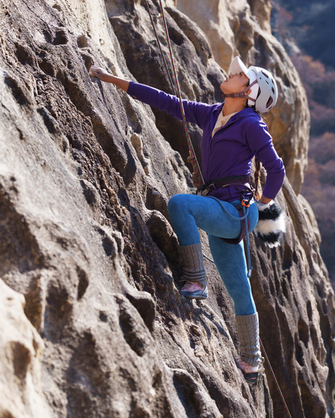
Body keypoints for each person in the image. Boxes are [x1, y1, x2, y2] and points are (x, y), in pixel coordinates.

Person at [88, 57, 286, 385]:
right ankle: (251, 362)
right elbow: (167, 102)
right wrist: (110, 78)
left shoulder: (251, 123)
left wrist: (261, 204)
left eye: (239, 75)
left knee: (180, 204)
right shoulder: (212, 113)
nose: (232, 73)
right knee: (239, 287)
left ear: (249, 92)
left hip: (236, 210)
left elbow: (275, 169)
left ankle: (195, 279)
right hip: (224, 208)